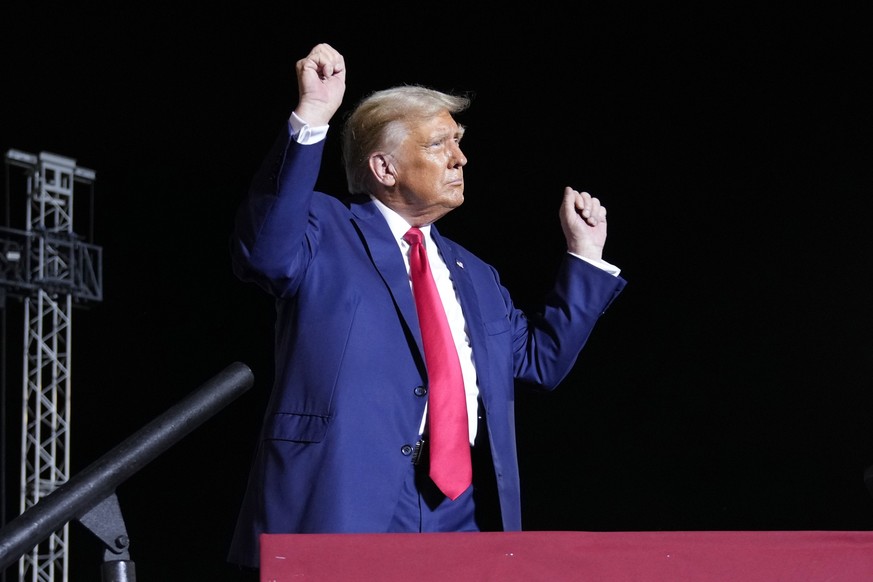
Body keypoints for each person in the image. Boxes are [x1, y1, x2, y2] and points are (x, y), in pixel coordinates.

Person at [227, 42, 627, 570]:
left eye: (458, 142)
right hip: (343, 498)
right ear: (385, 168)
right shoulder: (325, 230)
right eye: (441, 143)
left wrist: (585, 257)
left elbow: (539, 363)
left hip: (462, 509)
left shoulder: (476, 275)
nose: (461, 158)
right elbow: (266, 252)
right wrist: (313, 117)